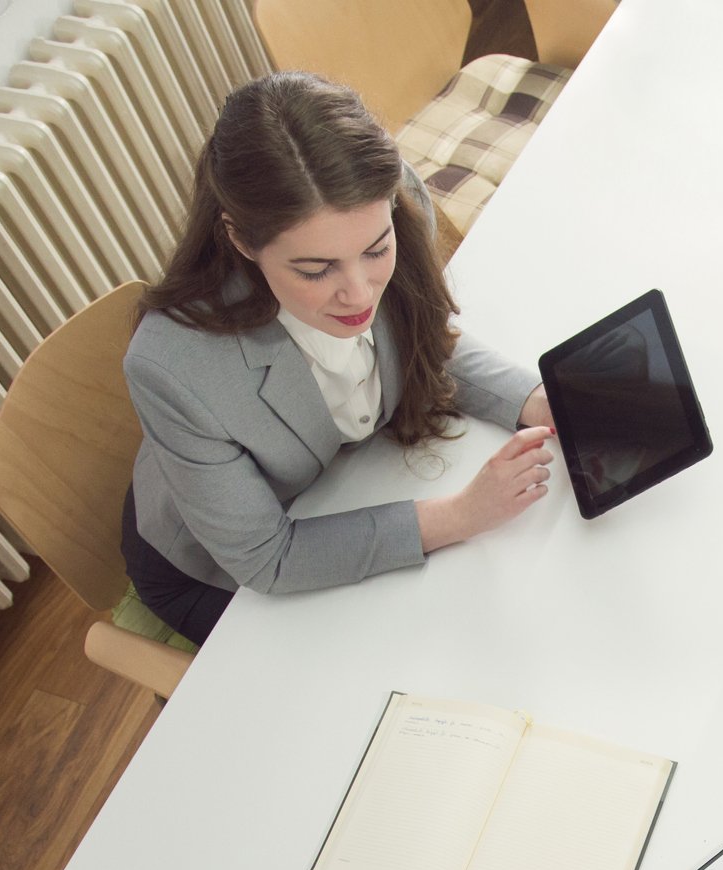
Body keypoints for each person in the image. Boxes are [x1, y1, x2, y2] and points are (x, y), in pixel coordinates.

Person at [121, 72, 559, 643]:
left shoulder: (388, 203)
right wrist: (461, 515)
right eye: (316, 269)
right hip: (212, 568)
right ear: (242, 241)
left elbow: (421, 334)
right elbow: (267, 558)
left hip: (338, 483)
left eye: (376, 252)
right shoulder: (174, 368)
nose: (359, 295)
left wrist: (537, 400)